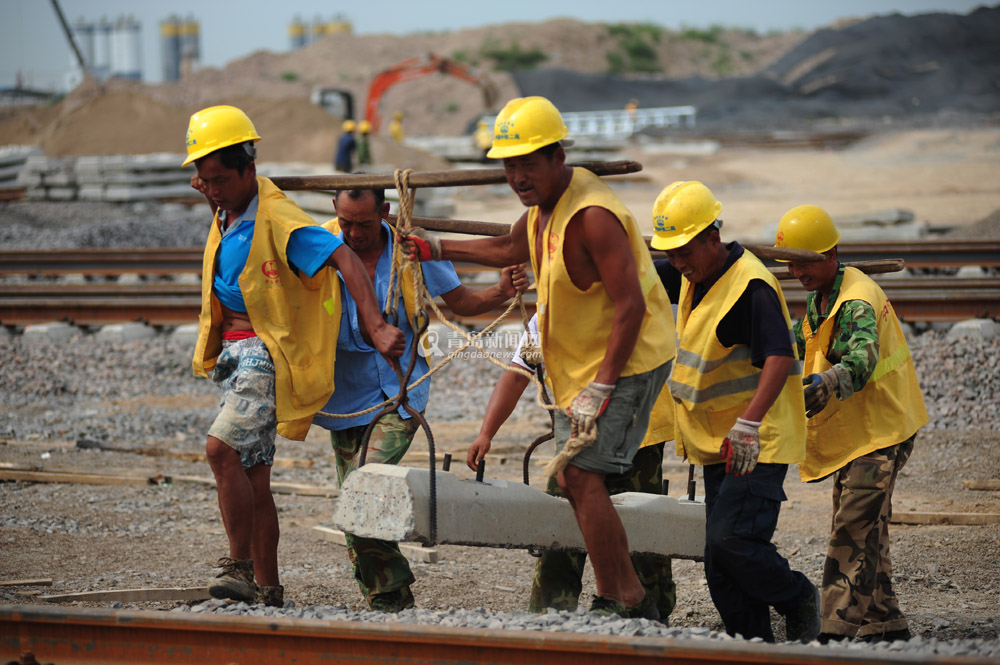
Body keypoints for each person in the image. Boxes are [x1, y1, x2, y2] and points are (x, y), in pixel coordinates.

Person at [404, 96, 676, 620]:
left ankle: (627, 598)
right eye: (509, 164)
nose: (517, 175)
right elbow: (509, 249)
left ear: (557, 157)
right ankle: (619, 596)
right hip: (586, 363)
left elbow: (632, 307)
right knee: (577, 481)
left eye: (528, 162)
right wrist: (438, 249)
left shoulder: (593, 217)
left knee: (578, 476)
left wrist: (602, 385)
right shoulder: (541, 212)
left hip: (631, 358)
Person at [183, 105, 405, 609]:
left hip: (265, 353)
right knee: (254, 475)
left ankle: (237, 567)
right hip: (236, 354)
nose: (209, 186)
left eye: (219, 178)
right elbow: (233, 231)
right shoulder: (230, 207)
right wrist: (211, 193)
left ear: (249, 171)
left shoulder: (280, 217)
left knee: (221, 452)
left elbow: (343, 256)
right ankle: (269, 587)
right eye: (203, 178)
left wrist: (374, 325)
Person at [314, 184, 528, 612]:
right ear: (334, 212)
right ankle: (387, 595)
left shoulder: (412, 251)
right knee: (354, 502)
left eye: (364, 223)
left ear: (386, 212)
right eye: (346, 222)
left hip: (402, 391)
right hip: (343, 398)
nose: (354, 233)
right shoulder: (320, 246)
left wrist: (501, 291)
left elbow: (463, 302)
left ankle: (390, 593)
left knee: (364, 485)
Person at [651, 180, 819, 643]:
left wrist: (748, 424)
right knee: (719, 562)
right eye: (672, 254)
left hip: (757, 439)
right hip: (719, 442)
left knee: (733, 542)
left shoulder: (751, 286)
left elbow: (780, 356)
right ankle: (754, 647)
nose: (677, 264)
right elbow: (633, 270)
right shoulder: (693, 273)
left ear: (712, 237)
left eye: (684, 252)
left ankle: (798, 597)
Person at [775, 205, 928, 644]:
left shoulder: (855, 300)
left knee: (852, 527)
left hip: (883, 429)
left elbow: (861, 358)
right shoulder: (824, 292)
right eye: (791, 262)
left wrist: (828, 381)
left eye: (805, 261)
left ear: (831, 254)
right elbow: (809, 333)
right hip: (864, 430)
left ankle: (831, 631)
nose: (796, 271)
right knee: (867, 523)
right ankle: (885, 623)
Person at [467, 313, 677, 622]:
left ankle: (651, 614)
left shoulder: (617, 303)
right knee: (562, 527)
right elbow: (516, 374)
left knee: (639, 527)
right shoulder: (547, 315)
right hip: (578, 436)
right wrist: (486, 432)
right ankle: (548, 616)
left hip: (637, 434)